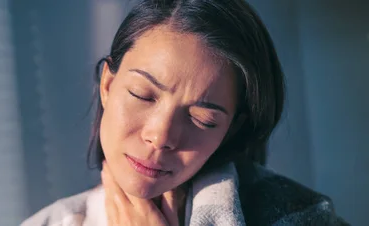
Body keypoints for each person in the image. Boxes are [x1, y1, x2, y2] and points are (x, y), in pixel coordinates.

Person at [21, 0, 348, 225]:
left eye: (202, 119)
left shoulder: (300, 217)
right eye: (143, 95)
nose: (161, 136)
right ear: (108, 84)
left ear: (231, 129)